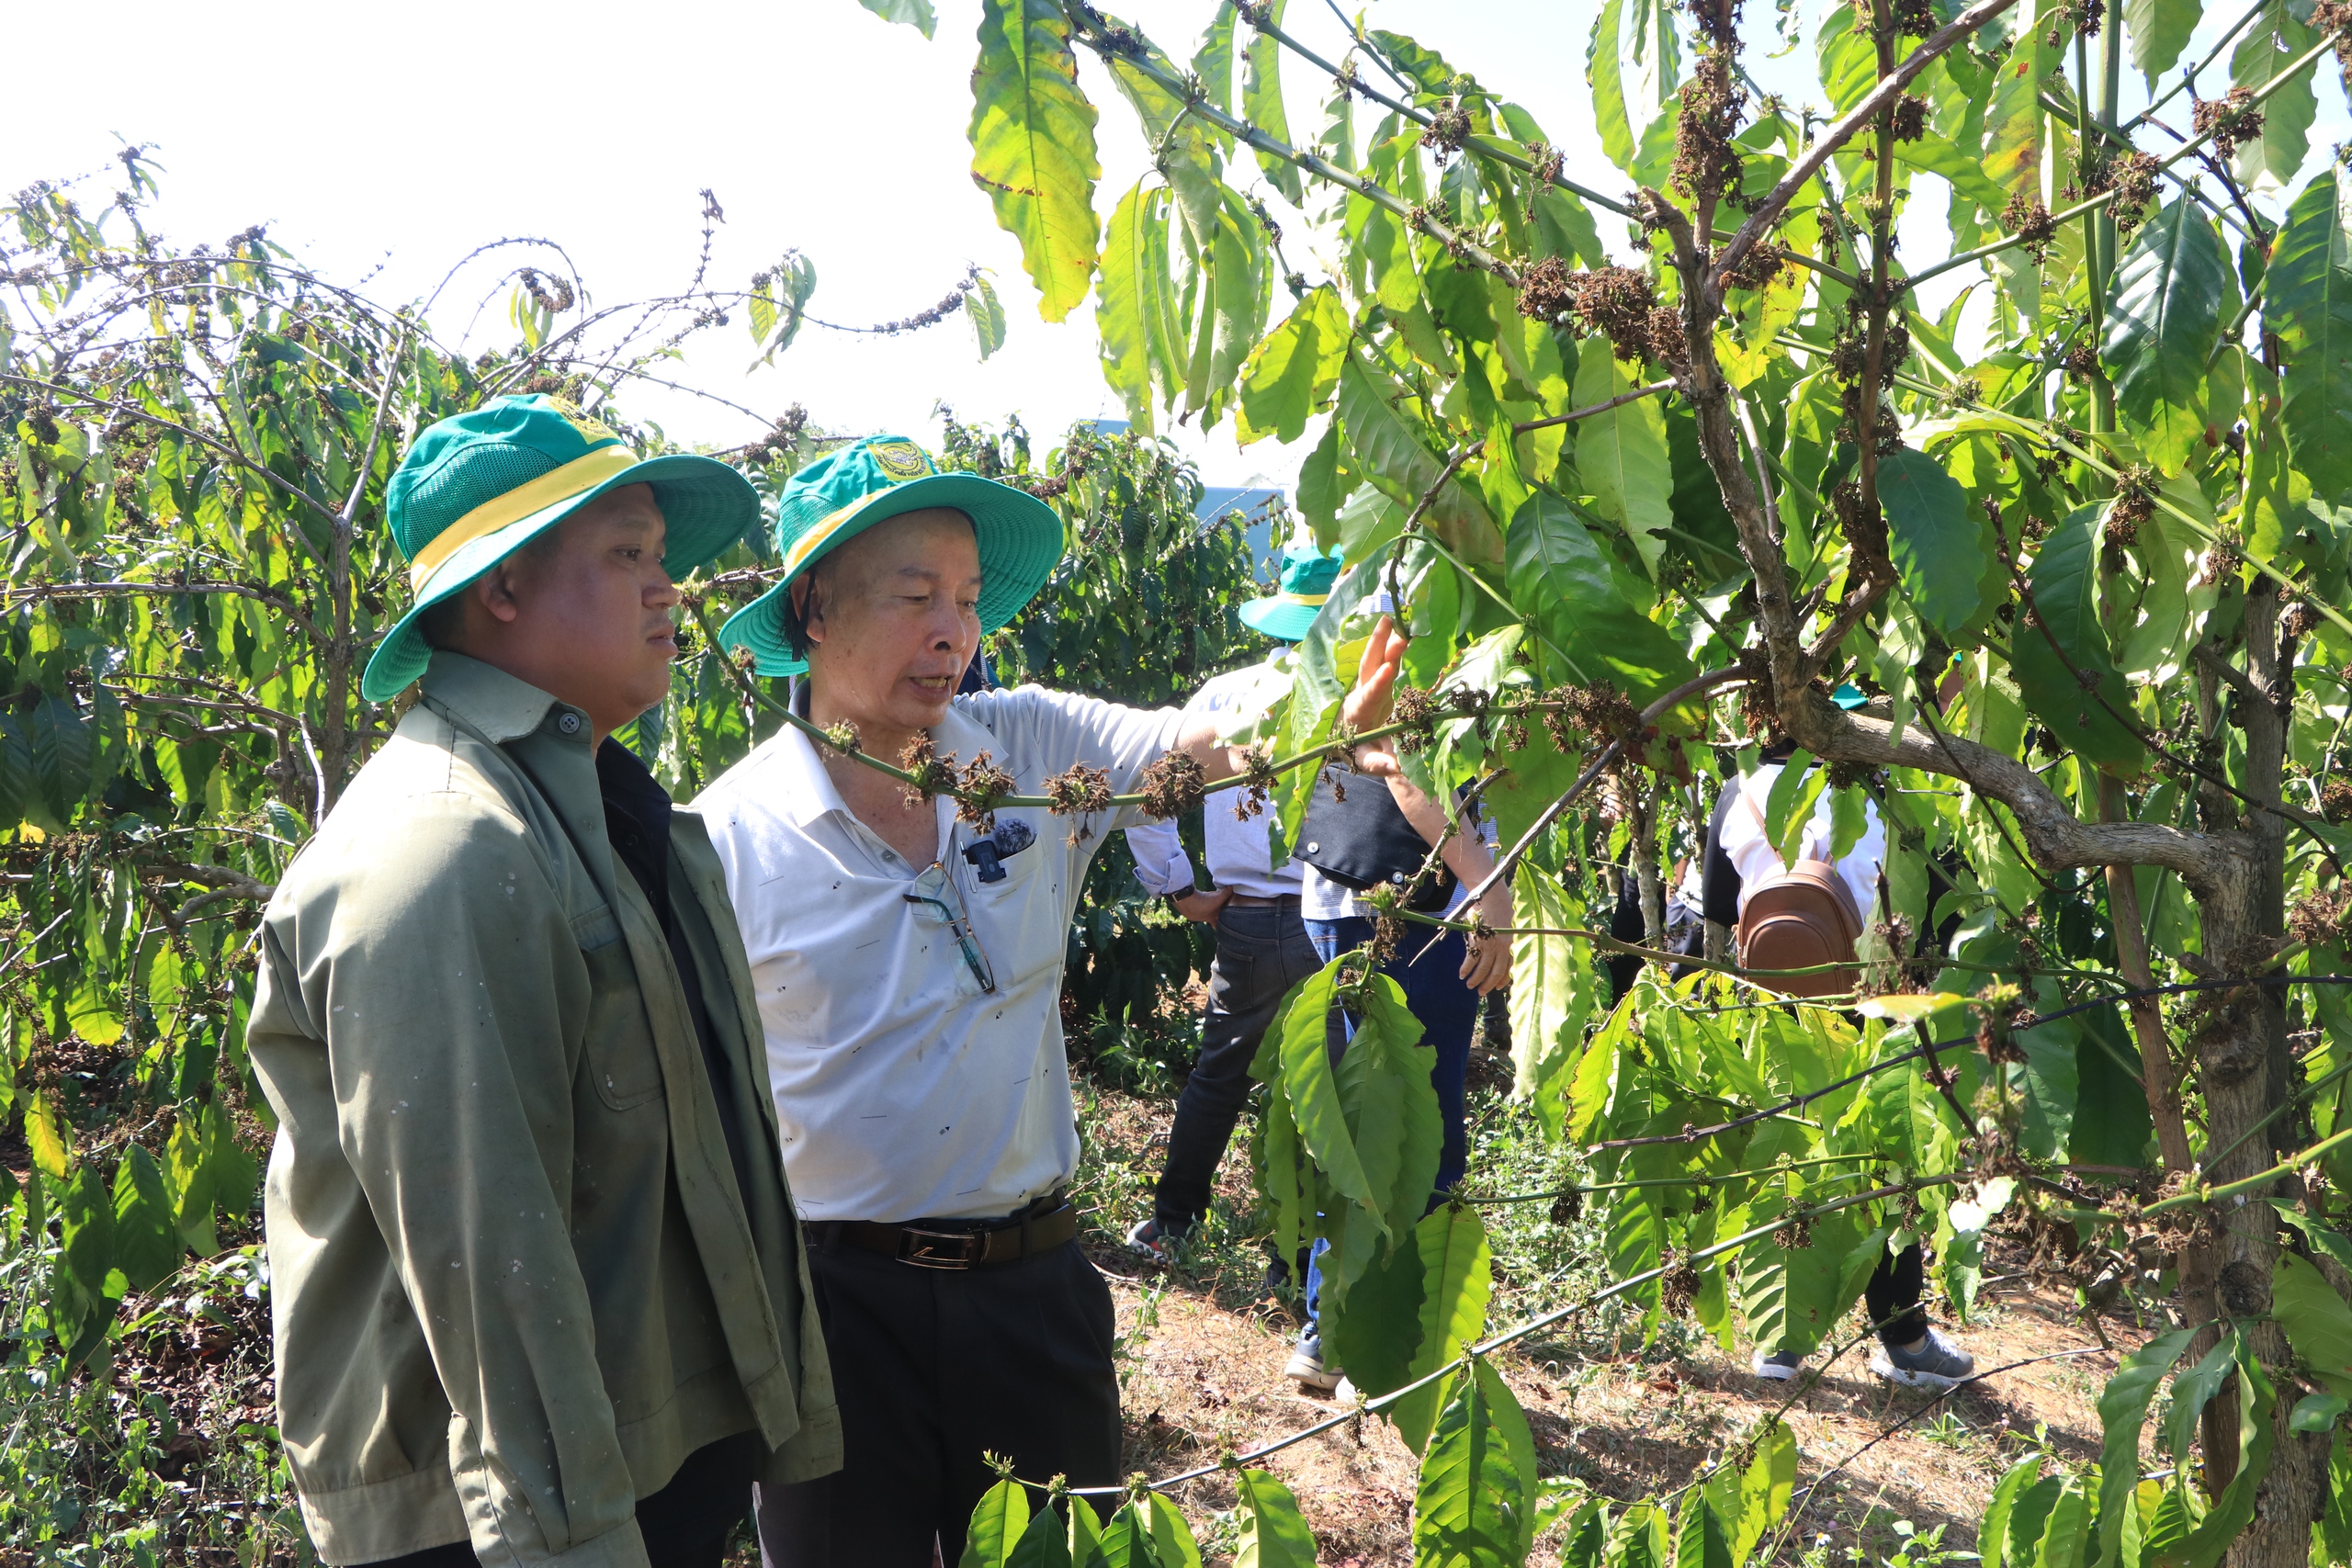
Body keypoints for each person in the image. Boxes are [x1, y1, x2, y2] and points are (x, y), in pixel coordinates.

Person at [692, 436, 1405, 1566]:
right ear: (814, 611)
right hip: (833, 1312)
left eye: (968, 600)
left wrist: (1325, 700)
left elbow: (1197, 746)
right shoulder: (729, 836)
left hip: (1028, 1290)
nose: (953, 632)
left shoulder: (1023, 749)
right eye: (915, 596)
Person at [247, 395, 838, 1568]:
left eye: (662, 559)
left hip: (624, 1462)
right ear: (501, 591)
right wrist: (574, 1541)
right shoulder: (448, 851)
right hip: (513, 1520)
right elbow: (489, 1260)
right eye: (626, 556)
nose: (667, 589)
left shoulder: (596, 808)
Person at [1283, 612, 1514, 1392]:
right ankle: (1375, 1348)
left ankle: (1327, 1332)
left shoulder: (1350, 635)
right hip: (1404, 913)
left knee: (1358, 1116)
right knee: (1414, 1129)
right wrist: (1494, 893)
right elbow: (1406, 769)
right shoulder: (1430, 621)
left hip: (1342, 901)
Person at [1702, 741, 1975, 1391]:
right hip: (1872, 1003)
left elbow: (1716, 902)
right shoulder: (1897, 790)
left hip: (1777, 1007)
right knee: (1886, 1162)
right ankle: (1904, 1338)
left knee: (1790, 1160)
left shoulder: (1741, 787)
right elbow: (1945, 909)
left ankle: (1780, 1338)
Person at [1120, 544, 1340, 1261]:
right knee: (1324, 1087)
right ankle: (1303, 1256)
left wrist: (1179, 887)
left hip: (1244, 915)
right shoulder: (1356, 696)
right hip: (1328, 919)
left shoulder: (1225, 694)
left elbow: (1145, 791)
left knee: (1220, 1073)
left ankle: (1173, 1218)